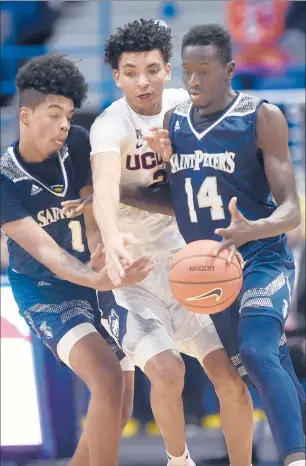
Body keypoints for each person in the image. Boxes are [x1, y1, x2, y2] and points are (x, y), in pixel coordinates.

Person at [64, 19, 254, 466]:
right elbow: (105, 188)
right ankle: (178, 459)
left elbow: (220, 179)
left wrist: (177, 159)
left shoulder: (188, 110)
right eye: (130, 72)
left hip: (190, 264)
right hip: (132, 277)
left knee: (232, 381)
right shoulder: (110, 125)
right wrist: (112, 239)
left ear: (169, 69)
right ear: (117, 77)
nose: (142, 81)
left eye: (151, 69)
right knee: (168, 371)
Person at [142, 24, 306, 466]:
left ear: (229, 69)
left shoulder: (260, 115)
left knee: (256, 351)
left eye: (205, 71)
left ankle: (294, 457)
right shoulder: (173, 124)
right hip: (209, 268)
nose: (193, 81)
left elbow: (291, 211)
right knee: (265, 368)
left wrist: (249, 230)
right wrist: (108, 194)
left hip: (260, 256)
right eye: (188, 72)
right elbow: (174, 200)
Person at [0, 53, 153, 466]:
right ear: (26, 115)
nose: (65, 123)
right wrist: (98, 278)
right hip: (45, 289)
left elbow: (93, 212)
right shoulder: (3, 178)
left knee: (118, 408)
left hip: (95, 278)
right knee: (105, 380)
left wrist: (105, 246)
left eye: (68, 114)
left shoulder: (80, 143)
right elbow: (48, 253)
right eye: (54, 114)